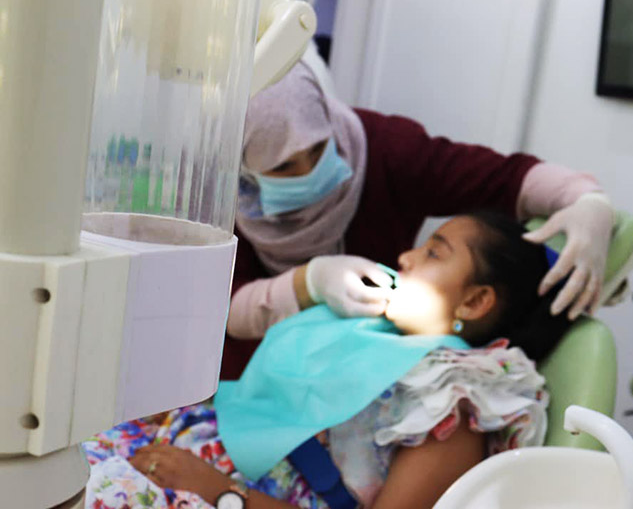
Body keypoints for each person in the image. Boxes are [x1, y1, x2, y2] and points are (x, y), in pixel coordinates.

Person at [84, 212, 571, 509]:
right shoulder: (375, 331)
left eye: (433, 254)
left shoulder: (454, 400)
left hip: (219, 491)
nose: (406, 257)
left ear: (475, 302)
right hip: (181, 449)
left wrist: (219, 491)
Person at [222, 60, 615, 379]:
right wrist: (307, 283)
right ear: (243, 170)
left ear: (476, 302)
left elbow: (505, 179)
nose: (404, 258)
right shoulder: (216, 191)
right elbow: (219, 306)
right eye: (284, 167)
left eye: (319, 148)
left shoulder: (391, 151)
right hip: (246, 379)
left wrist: (587, 200)